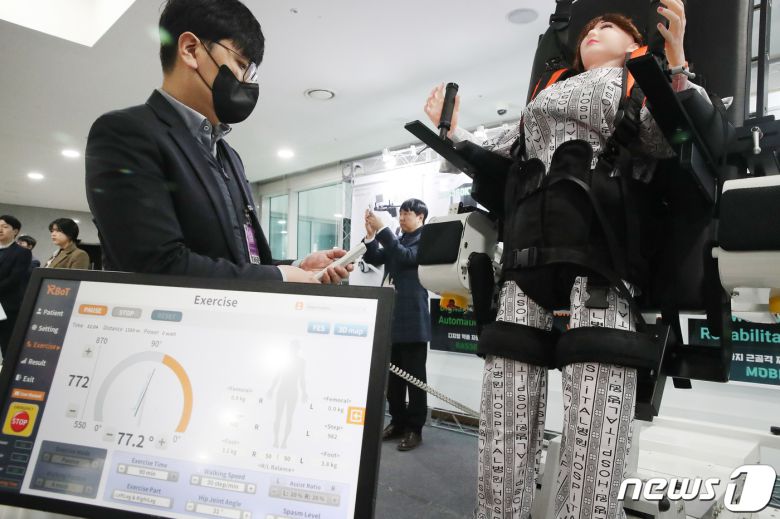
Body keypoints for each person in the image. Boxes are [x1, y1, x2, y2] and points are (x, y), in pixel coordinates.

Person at [425, 3, 709, 518]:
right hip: (525, 266)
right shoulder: (545, 92)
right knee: (503, 421)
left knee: (594, 431)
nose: (594, 31)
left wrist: (677, 63)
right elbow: (503, 154)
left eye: (610, 27)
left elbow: (680, 135)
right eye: (589, 28)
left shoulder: (637, 84)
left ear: (634, 45)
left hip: (600, 267)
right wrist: (453, 136)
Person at [85, 0, 348, 284]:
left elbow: (242, 261)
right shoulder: (126, 132)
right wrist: (280, 277)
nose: (247, 82)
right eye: (241, 65)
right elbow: (153, 264)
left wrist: (298, 266)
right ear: (190, 50)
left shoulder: (228, 154)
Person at [363, 199, 431, 451]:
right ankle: (398, 422)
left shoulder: (425, 240)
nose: (401, 218)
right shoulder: (399, 239)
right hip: (391, 317)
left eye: (407, 214)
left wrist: (383, 230)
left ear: (421, 217)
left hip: (413, 320)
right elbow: (375, 258)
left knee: (415, 379)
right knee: (393, 380)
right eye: (400, 214)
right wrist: (371, 236)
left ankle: (415, 429)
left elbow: (405, 257)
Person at [0, 215, 32, 357]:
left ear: (15, 231)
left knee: (7, 344)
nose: (0, 229)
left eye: (5, 226)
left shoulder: (23, 252)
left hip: (7, 306)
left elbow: (14, 279)